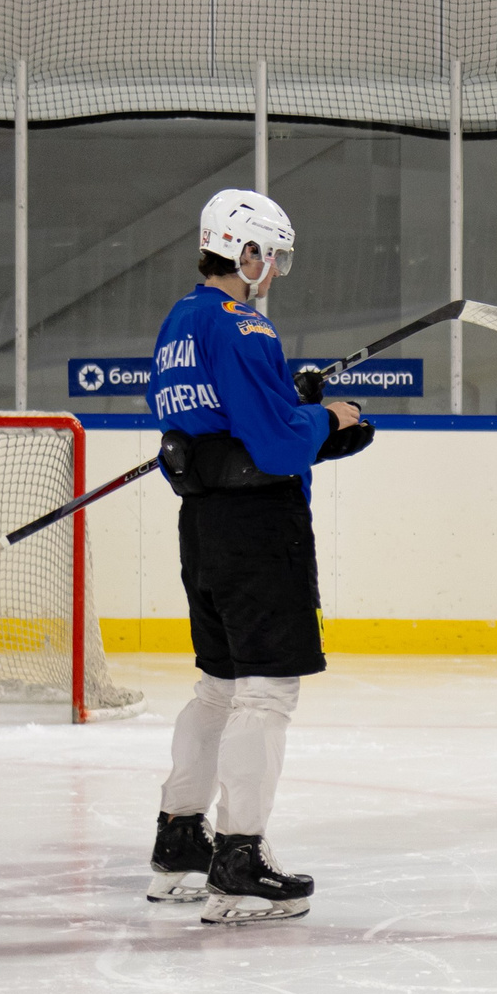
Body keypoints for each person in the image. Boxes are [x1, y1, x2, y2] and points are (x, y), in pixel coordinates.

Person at [144, 189, 368, 925]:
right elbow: (273, 445)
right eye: (272, 256)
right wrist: (326, 418)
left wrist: (287, 398)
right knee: (265, 694)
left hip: (203, 526)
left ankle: (181, 842)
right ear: (244, 252)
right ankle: (239, 862)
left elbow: (221, 425)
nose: (273, 271)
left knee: (217, 688)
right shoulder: (244, 324)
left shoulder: (181, 320)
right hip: (259, 530)